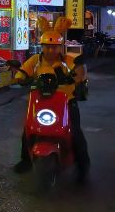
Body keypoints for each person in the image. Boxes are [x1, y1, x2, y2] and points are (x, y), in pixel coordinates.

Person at [12, 16, 90, 181]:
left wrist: (79, 77)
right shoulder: (35, 60)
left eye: (54, 47)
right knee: (28, 130)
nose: (50, 50)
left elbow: (79, 73)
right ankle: (25, 160)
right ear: (42, 47)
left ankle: (83, 167)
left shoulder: (67, 61)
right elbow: (23, 73)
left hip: (66, 102)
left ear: (60, 47)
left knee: (75, 133)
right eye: (47, 46)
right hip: (40, 102)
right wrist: (20, 78)